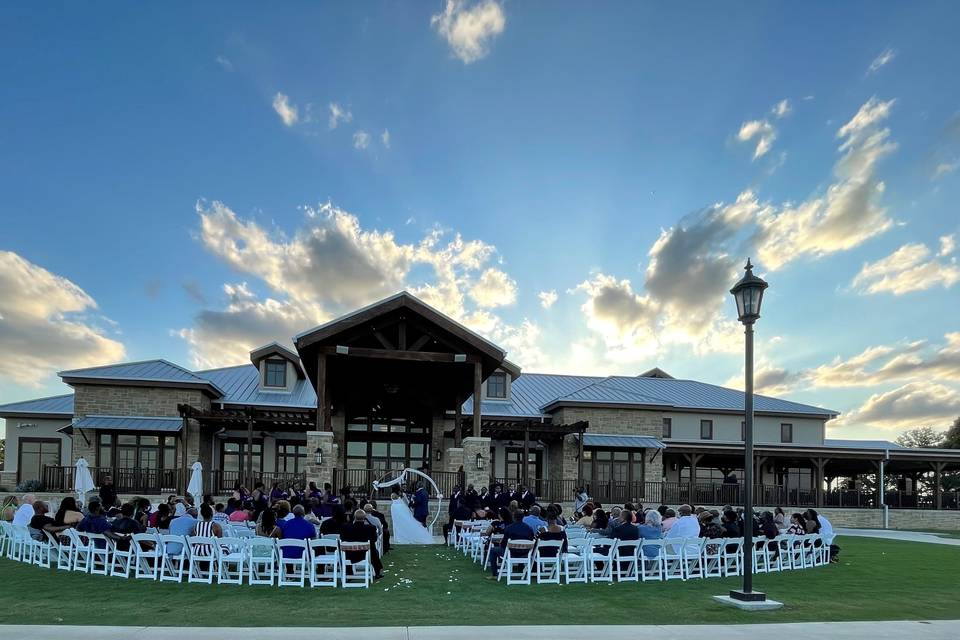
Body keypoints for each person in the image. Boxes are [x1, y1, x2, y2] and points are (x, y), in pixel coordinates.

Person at [487, 510, 534, 579]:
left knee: (493, 550)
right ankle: (520, 568)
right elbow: (531, 540)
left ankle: (494, 574)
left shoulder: (509, 528)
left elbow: (504, 544)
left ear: (514, 517)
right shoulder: (529, 528)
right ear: (523, 517)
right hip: (525, 553)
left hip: (511, 552)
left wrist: (501, 544)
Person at [341, 509, 383, 579]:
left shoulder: (346, 528)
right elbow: (374, 540)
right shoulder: (371, 528)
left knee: (372, 549)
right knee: (373, 549)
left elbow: (342, 539)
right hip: (365, 554)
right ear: (364, 518)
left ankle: (348, 572)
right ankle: (377, 572)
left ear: (354, 517)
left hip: (350, 554)